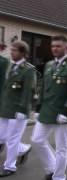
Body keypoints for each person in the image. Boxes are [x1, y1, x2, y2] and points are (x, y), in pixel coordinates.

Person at [31, 35, 67, 180]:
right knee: (36, 140)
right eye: (53, 46)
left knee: (61, 148)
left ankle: (59, 176)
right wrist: (38, 107)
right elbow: (43, 89)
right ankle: (52, 167)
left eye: (58, 46)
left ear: (66, 48)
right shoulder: (49, 65)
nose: (55, 48)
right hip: (46, 111)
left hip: (62, 113)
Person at [0, 41, 36, 177]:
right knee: (2, 136)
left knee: (12, 139)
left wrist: (23, 110)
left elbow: (29, 92)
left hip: (18, 111)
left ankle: (10, 166)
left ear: (23, 53)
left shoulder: (28, 70)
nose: (11, 52)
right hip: (6, 108)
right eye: (11, 49)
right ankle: (24, 148)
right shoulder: (11, 67)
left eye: (15, 50)